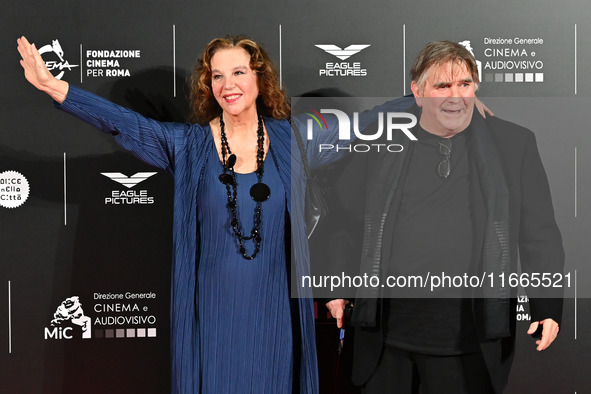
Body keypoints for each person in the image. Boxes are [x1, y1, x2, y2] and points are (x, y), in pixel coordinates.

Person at [326, 41, 564, 393]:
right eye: (442, 86)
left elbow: (538, 232)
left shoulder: (513, 144)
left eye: (465, 84)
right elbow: (343, 221)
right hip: (386, 339)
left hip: (470, 341)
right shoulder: (379, 142)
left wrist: (546, 304)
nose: (456, 96)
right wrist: (336, 287)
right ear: (417, 93)